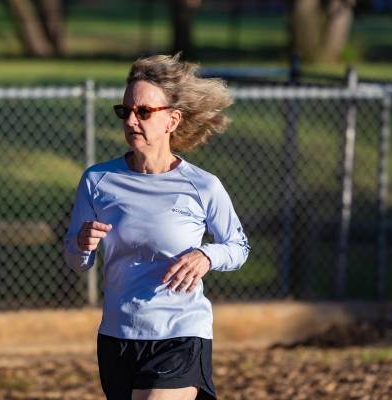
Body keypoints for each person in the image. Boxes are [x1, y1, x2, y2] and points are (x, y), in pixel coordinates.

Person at [64, 54, 250, 400]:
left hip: (180, 332)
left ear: (172, 120)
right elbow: (77, 261)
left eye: (144, 112)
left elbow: (238, 247)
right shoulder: (98, 180)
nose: (131, 120)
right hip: (118, 336)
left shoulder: (202, 185)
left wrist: (207, 256)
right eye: (125, 111)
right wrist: (81, 244)